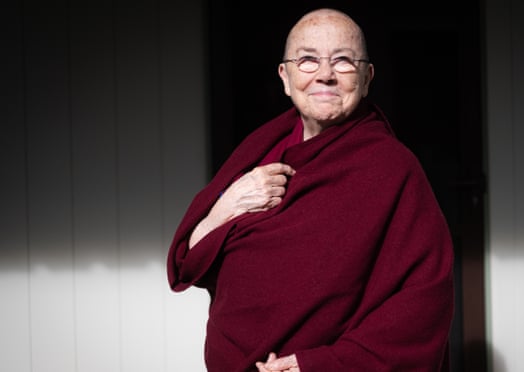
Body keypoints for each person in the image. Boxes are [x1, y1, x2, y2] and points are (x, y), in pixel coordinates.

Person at [167, 8, 454, 372]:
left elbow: (425, 301)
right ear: (285, 78)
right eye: (307, 60)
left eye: (343, 62)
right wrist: (227, 207)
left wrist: (319, 364)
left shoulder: (393, 170)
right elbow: (189, 263)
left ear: (367, 78)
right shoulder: (258, 154)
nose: (325, 75)